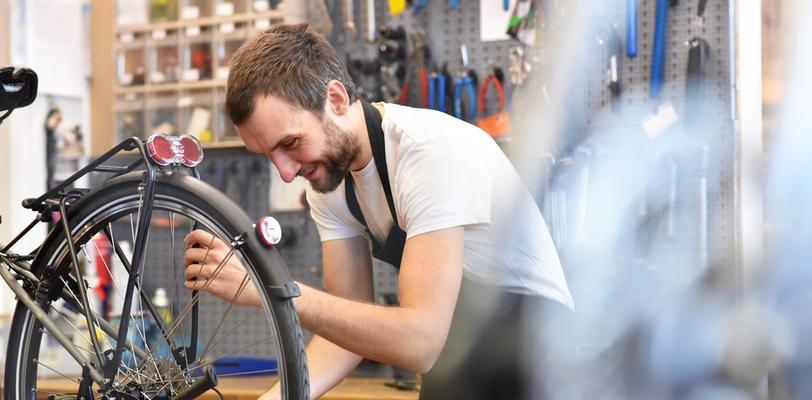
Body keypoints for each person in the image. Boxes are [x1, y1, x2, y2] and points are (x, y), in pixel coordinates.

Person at [183, 23, 574, 399]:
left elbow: (420, 341)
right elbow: (345, 335)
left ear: (336, 100)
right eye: (269, 155)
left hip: (537, 357)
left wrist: (272, 290)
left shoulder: (429, 154)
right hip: (461, 354)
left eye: (290, 143)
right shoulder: (330, 180)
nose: (286, 172)